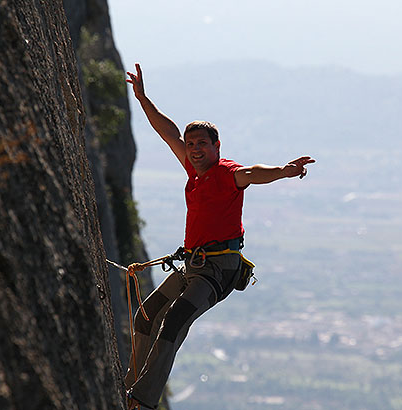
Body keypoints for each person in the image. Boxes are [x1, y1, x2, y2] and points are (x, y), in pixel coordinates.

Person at [124, 63, 315, 409]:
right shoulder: (194, 170)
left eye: (202, 144)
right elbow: (167, 132)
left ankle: (142, 400)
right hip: (194, 263)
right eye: (192, 143)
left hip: (217, 268)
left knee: (173, 321)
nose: (195, 149)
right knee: (146, 316)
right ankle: (133, 382)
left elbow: (253, 173)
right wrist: (143, 98)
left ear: (216, 146)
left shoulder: (226, 173)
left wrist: (286, 171)